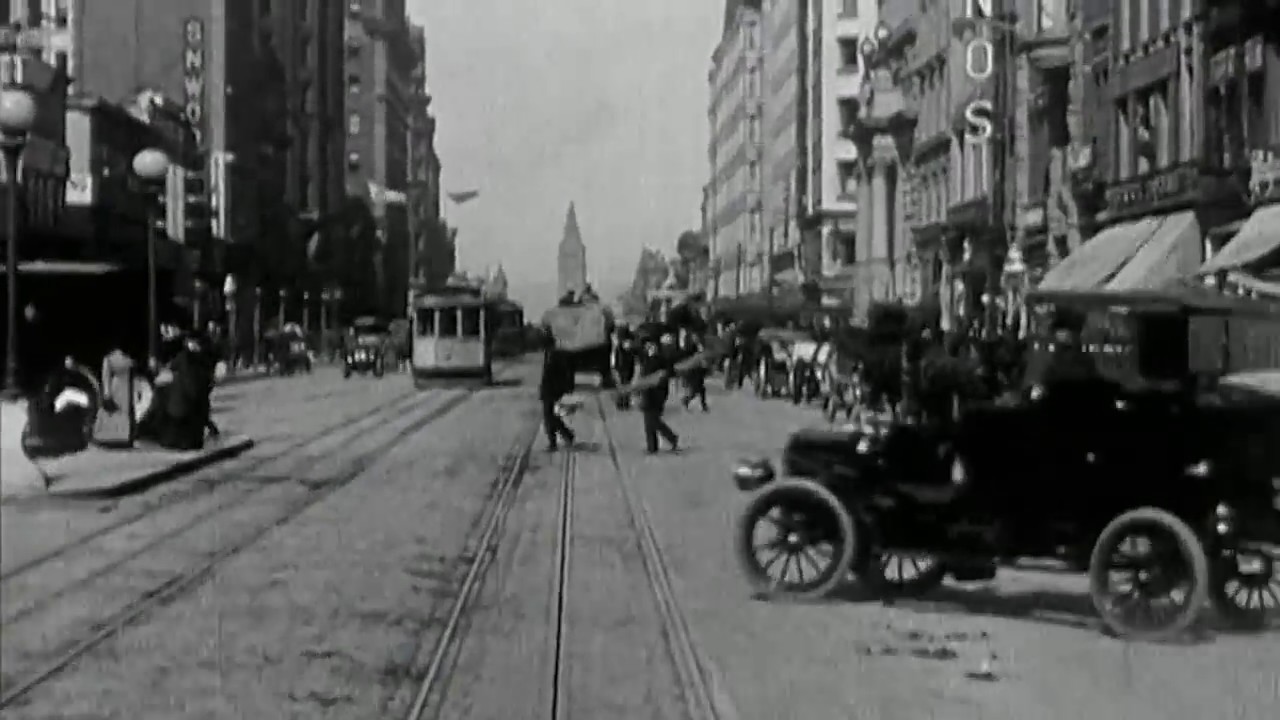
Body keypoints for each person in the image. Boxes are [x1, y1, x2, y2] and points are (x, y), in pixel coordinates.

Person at [634, 332, 680, 454]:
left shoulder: (658, 360)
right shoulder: (648, 359)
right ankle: (652, 447)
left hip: (655, 394)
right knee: (649, 422)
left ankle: (671, 438)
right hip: (649, 392)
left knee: (652, 421)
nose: (649, 348)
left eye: (651, 346)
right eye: (648, 347)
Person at [539, 328, 577, 451]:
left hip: (551, 390)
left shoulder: (553, 355)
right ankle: (564, 436)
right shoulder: (552, 354)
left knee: (549, 416)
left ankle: (556, 440)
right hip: (550, 389)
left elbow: (553, 374)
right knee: (550, 416)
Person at [680, 330, 709, 412]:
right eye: (694, 337)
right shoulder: (689, 348)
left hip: (698, 371)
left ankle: (703, 405)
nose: (696, 338)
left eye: (696, 337)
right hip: (692, 372)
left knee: (701, 389)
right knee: (696, 390)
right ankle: (686, 401)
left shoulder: (698, 346)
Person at [612, 326, 637, 410]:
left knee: (624, 385)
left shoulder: (620, 347)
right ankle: (623, 402)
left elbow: (617, 360)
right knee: (624, 385)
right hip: (624, 369)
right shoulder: (620, 348)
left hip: (625, 368)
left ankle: (623, 402)